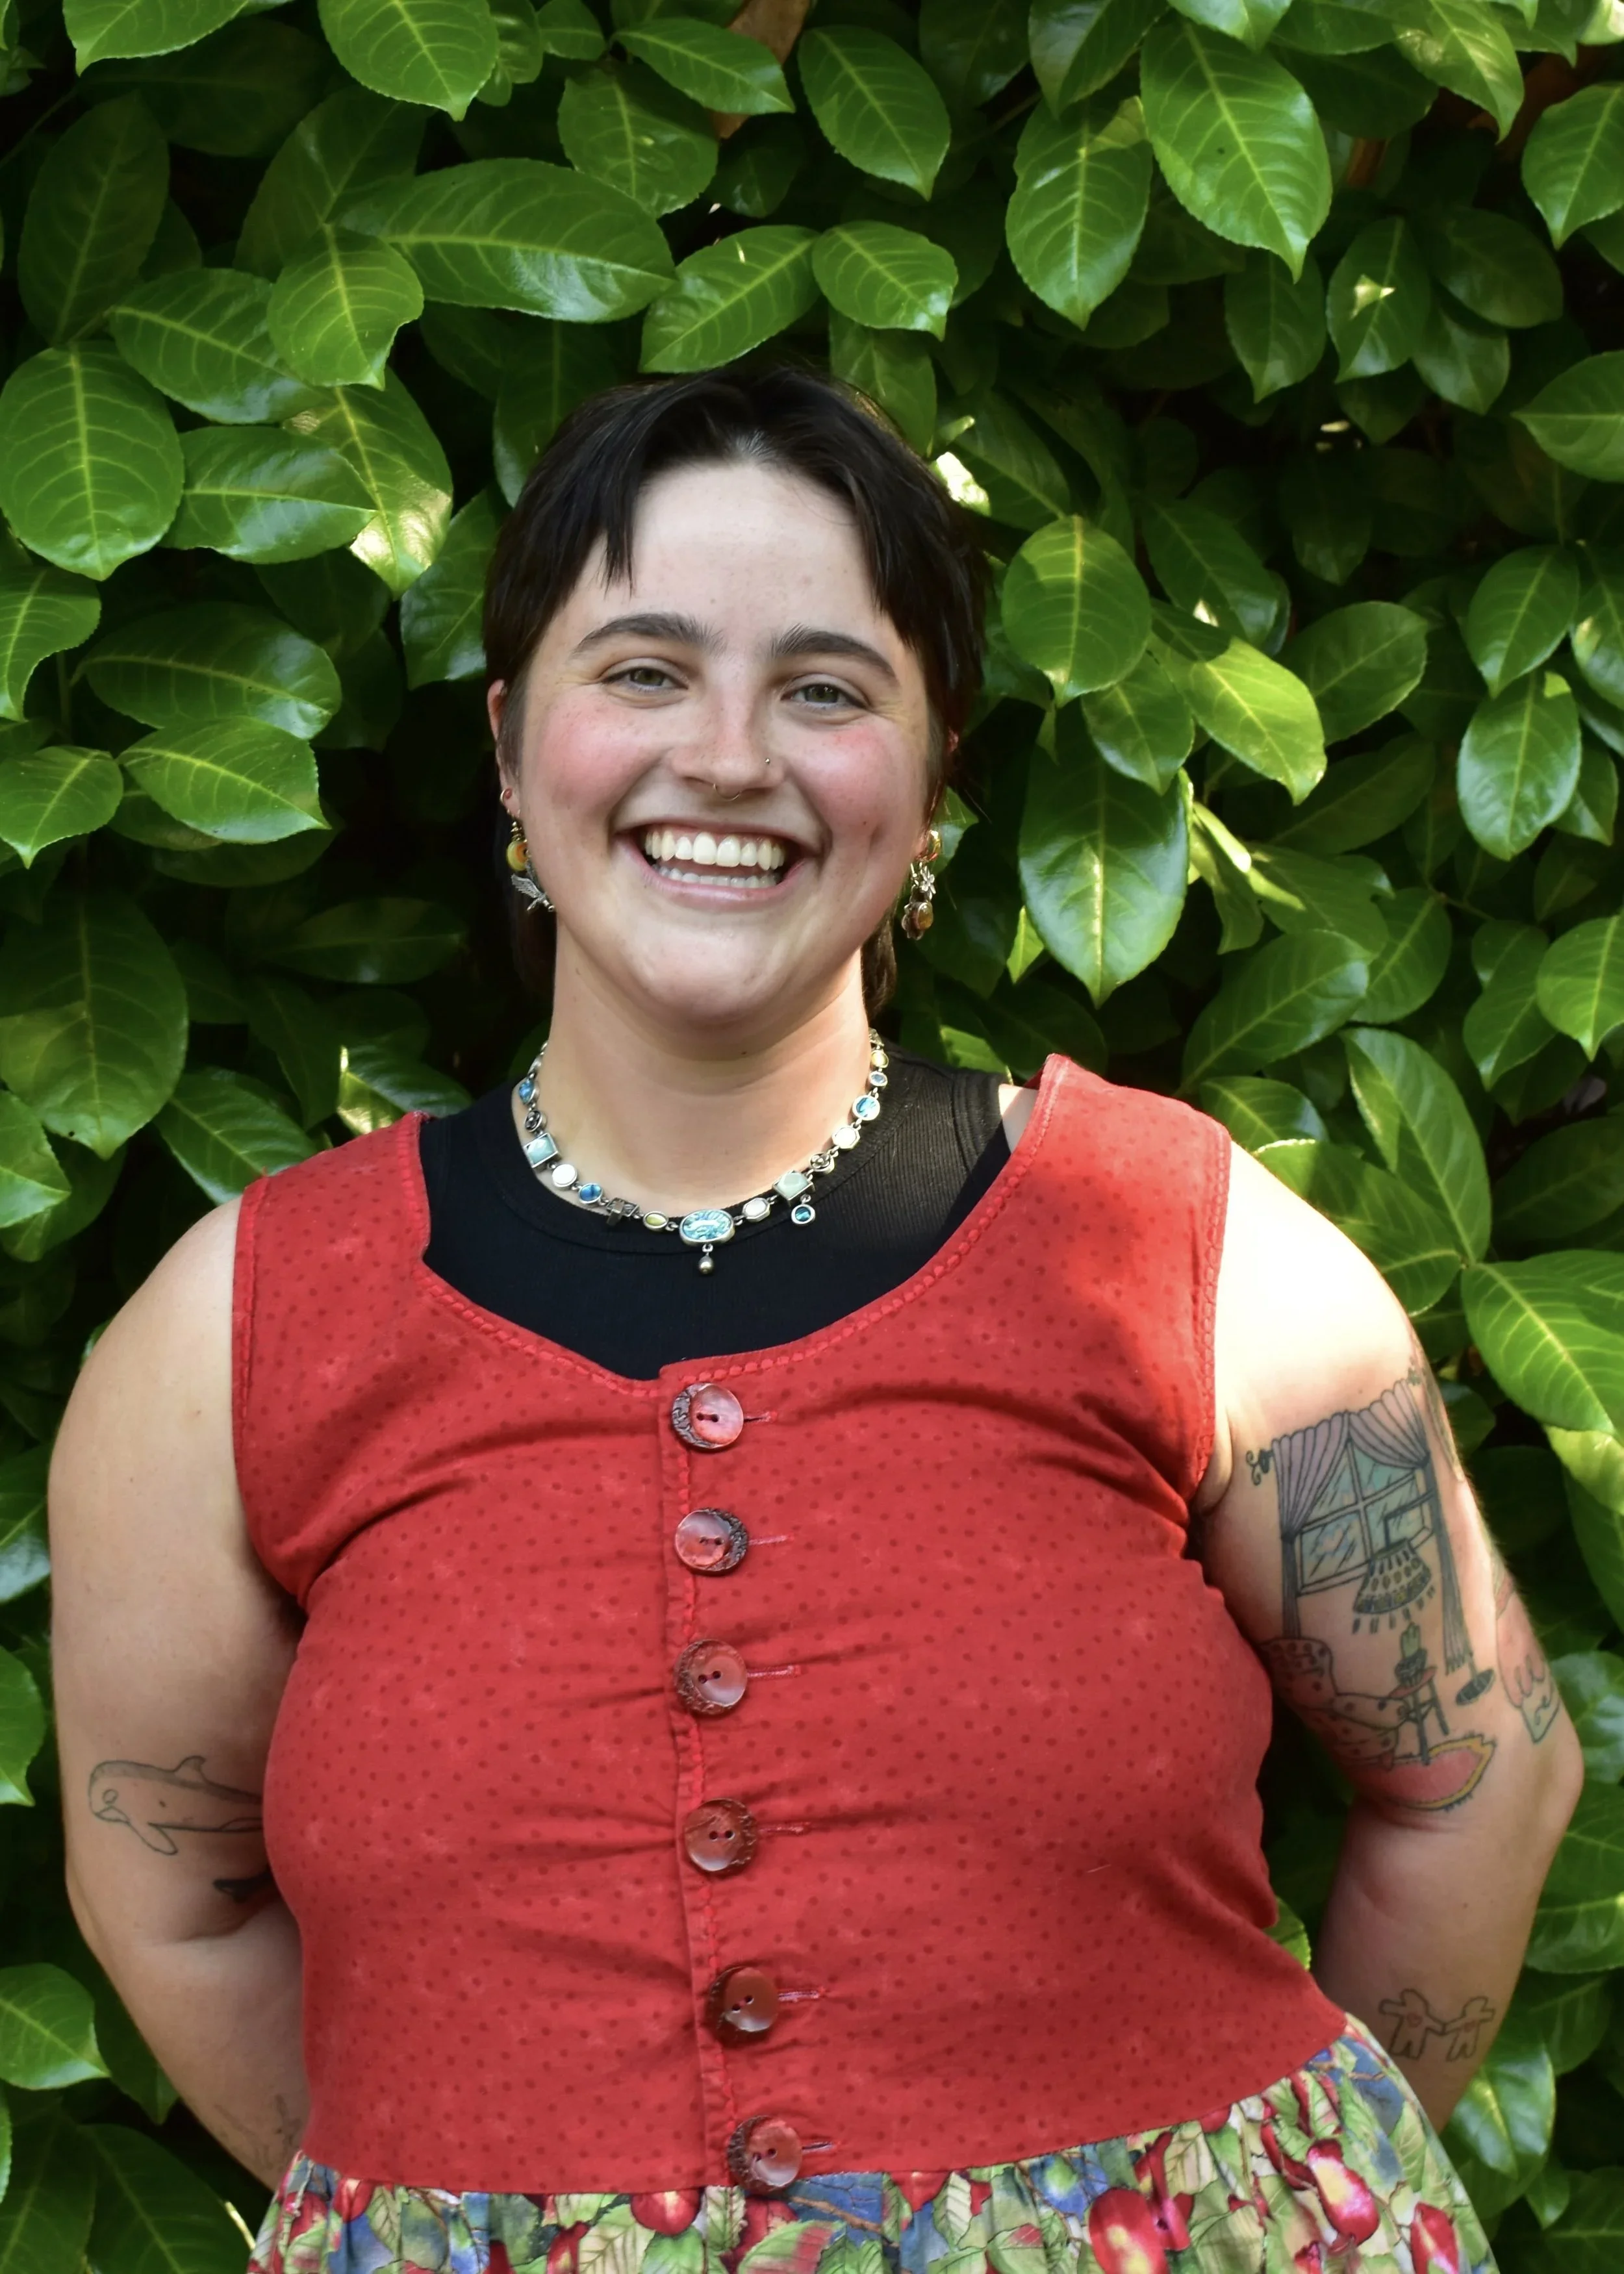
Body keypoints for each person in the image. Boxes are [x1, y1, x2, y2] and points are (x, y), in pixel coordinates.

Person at [50, 368, 1579, 2274]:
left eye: (827, 689)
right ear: (515, 745)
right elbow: (167, 1893)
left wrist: (1281, 2207)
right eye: (643, 670)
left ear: (930, 788)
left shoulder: (1190, 1258)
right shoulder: (236, 1337)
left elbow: (1475, 1779)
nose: (729, 756)